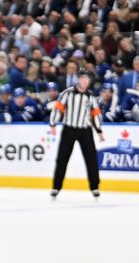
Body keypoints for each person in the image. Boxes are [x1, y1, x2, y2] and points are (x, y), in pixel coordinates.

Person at [49, 70, 105, 200]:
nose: (85, 81)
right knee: (62, 159)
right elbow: (58, 108)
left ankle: (94, 187)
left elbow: (95, 114)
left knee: (91, 159)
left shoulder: (91, 96)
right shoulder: (67, 93)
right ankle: (56, 187)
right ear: (78, 80)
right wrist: (53, 124)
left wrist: (99, 131)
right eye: (82, 78)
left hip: (85, 131)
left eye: (87, 78)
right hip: (69, 129)